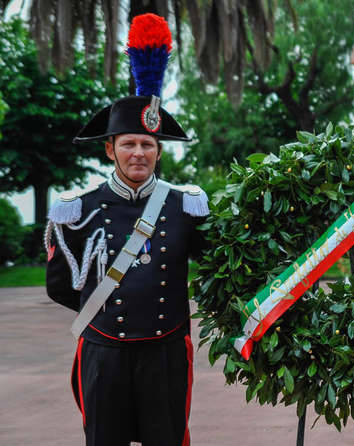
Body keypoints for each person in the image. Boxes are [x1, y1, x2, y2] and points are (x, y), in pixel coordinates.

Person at [44, 14, 208, 446]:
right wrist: (106, 320)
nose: (139, 153)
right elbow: (61, 285)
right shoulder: (77, 209)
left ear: (159, 150)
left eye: (148, 144)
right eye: (129, 143)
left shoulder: (185, 203)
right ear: (109, 148)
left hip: (166, 352)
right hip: (104, 353)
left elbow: (210, 266)